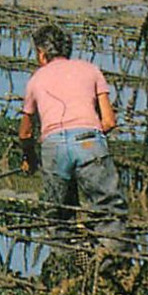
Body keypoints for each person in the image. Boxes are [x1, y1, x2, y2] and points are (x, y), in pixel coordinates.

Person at [17, 23, 127, 245]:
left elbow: (25, 132)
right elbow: (109, 121)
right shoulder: (91, 70)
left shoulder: (36, 80)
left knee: (59, 217)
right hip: (88, 142)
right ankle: (113, 267)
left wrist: (30, 158)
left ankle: (66, 268)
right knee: (110, 211)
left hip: (54, 147)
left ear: (41, 53)